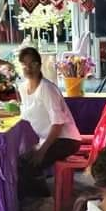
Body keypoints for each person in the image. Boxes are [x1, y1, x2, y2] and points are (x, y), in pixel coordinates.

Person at [16, 46, 81, 201]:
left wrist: (42, 150)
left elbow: (57, 124)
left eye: (33, 64)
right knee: (19, 160)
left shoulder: (47, 88)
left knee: (30, 163)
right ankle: (28, 200)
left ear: (39, 65)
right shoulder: (22, 88)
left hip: (66, 140)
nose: (29, 68)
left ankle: (44, 201)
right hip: (47, 139)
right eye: (24, 64)